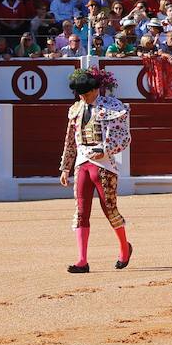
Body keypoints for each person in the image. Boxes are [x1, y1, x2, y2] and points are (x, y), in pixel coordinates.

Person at [58, 67, 133, 272]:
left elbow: (123, 137)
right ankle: (82, 260)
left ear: (95, 89)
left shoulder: (112, 107)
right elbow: (70, 141)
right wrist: (66, 167)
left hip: (104, 164)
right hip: (82, 163)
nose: (82, 96)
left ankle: (124, 249)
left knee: (109, 210)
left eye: (85, 92)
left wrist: (106, 149)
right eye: (79, 93)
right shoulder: (76, 109)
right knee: (81, 212)